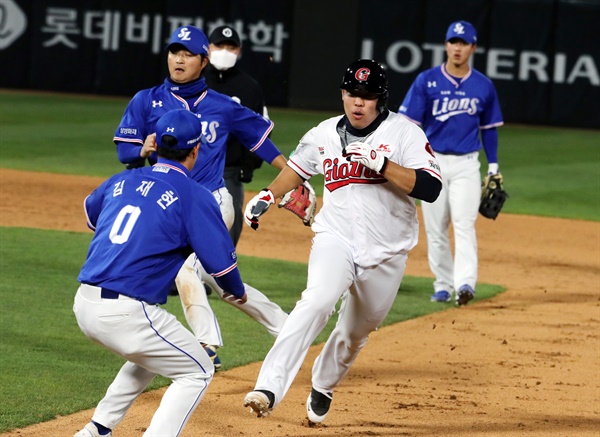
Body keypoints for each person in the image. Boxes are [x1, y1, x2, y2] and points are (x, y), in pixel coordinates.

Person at [242, 59, 442, 424]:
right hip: (336, 238)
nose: (358, 103)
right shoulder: (323, 134)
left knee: (355, 332)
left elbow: (431, 187)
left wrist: (384, 165)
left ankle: (324, 382)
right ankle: (267, 387)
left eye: (367, 96)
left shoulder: (404, 133)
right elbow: (297, 170)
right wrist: (268, 197)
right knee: (316, 301)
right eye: (353, 94)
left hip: (387, 251)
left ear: (380, 100)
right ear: (343, 94)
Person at [113, 25, 289, 369]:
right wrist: (140, 150)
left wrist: (291, 174)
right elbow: (124, 151)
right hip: (169, 208)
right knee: (220, 282)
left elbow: (259, 140)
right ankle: (286, 326)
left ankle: (206, 344)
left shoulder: (222, 106)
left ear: (203, 61)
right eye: (174, 51)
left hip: (212, 202)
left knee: (183, 270)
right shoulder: (146, 100)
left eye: (187, 53)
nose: (178, 59)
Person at [73, 109, 247, 437]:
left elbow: (91, 215)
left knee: (154, 353)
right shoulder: (194, 195)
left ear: (154, 145)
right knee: (198, 371)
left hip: (84, 303)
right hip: (126, 314)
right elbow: (221, 266)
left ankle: (97, 429)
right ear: (196, 150)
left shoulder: (121, 179)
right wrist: (236, 289)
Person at [398, 20, 504, 305]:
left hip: (467, 164)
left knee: (464, 224)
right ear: (446, 45)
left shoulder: (483, 85)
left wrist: (493, 165)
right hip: (432, 163)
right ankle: (443, 284)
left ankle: (466, 284)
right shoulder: (426, 81)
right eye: (453, 42)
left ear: (473, 48)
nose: (457, 48)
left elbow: (489, 128)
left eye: (463, 43)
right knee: (436, 227)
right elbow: (408, 124)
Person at [205, 24, 268, 247]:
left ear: (239, 51)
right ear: (208, 48)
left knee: (225, 242)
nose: (225, 51)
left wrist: (249, 165)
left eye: (231, 47)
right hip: (190, 170)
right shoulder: (195, 79)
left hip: (228, 173)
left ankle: (219, 282)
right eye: (219, 45)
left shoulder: (249, 87)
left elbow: (260, 129)